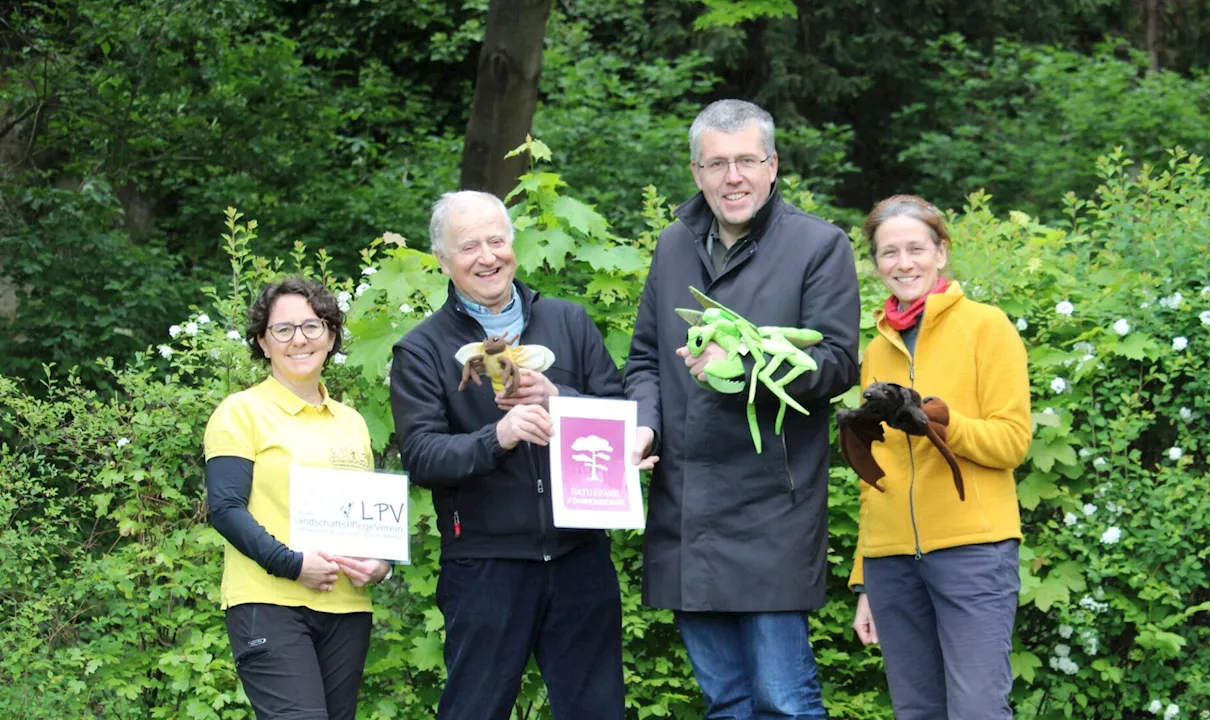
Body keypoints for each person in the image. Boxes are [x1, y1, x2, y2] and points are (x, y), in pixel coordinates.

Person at [624, 99, 861, 719]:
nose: (734, 177)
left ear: (773, 166)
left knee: (784, 701)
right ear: (697, 172)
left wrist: (747, 370)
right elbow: (646, 358)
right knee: (724, 701)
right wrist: (644, 424)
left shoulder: (819, 245)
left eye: (747, 161)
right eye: (718, 163)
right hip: (687, 505)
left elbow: (837, 362)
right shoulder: (673, 245)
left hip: (772, 510)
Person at [388, 190, 626, 720]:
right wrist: (500, 436)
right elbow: (423, 457)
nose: (487, 256)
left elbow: (620, 412)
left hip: (579, 556)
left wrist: (561, 401)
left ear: (513, 245)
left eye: (497, 240)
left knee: (598, 711)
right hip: (484, 565)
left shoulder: (568, 322)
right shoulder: (422, 350)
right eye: (469, 246)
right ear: (443, 261)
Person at [845, 195, 1031, 719]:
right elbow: (872, 473)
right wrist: (865, 577)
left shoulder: (986, 326)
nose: (903, 263)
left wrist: (941, 421)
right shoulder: (876, 349)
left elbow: (1012, 441)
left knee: (976, 710)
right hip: (892, 564)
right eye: (888, 253)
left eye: (915, 249)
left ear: (941, 252)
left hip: (973, 552)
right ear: (875, 263)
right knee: (916, 710)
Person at [203, 277, 392, 720]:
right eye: (282, 330)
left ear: (330, 336)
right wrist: (293, 564)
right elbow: (226, 510)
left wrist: (381, 564)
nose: (299, 339)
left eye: (311, 326)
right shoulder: (239, 412)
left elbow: (368, 516)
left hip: (347, 608)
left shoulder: (352, 423)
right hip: (269, 605)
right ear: (263, 343)